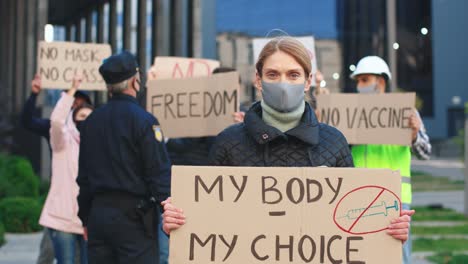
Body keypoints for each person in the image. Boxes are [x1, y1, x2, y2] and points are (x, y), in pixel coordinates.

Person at [162, 37, 414, 245]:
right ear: (258, 80)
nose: (283, 84)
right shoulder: (229, 141)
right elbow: (205, 218)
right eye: (273, 74)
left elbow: (353, 219)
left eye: (293, 75)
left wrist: (387, 230)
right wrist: (177, 221)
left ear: (307, 82)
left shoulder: (334, 142)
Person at [76, 51, 171, 264]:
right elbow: (159, 173)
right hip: (134, 219)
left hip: (98, 215)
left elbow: (84, 177)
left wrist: (85, 217)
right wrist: (169, 211)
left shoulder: (91, 122)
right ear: (135, 81)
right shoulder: (145, 121)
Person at [349, 55, 431, 263]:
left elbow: (425, 151)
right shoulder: (349, 114)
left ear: (381, 81)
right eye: (358, 81)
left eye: (365, 79)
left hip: (395, 197)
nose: (360, 85)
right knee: (360, 253)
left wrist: (413, 134)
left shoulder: (407, 112)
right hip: (357, 194)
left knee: (397, 255)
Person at [22, 74, 91, 264]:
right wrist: (35, 95)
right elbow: (48, 122)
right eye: (75, 104)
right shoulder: (61, 139)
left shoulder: (97, 145)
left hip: (86, 219)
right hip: (61, 214)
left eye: (84, 107)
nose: (78, 108)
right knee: (48, 255)